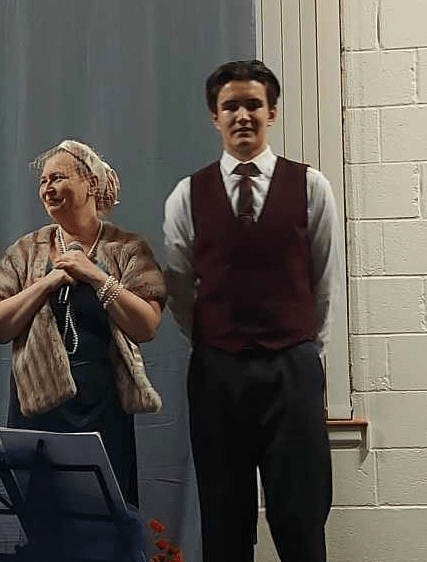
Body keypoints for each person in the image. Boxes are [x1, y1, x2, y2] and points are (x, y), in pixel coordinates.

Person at [163, 60, 342, 562]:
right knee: (224, 520)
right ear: (214, 117)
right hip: (217, 373)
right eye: (230, 106)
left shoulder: (311, 186)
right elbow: (179, 288)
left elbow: (325, 280)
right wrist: (216, 340)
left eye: (253, 105)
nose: (242, 115)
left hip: (292, 370)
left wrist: (303, 350)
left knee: (301, 517)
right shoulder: (186, 195)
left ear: (272, 113)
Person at [0, 139, 165, 506]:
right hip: (37, 407)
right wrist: (46, 283)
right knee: (41, 518)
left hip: (102, 408)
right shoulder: (25, 250)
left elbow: (146, 326)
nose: (47, 188)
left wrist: (96, 275)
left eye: (58, 178)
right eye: (43, 181)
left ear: (91, 184)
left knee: (104, 515)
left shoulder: (128, 248)